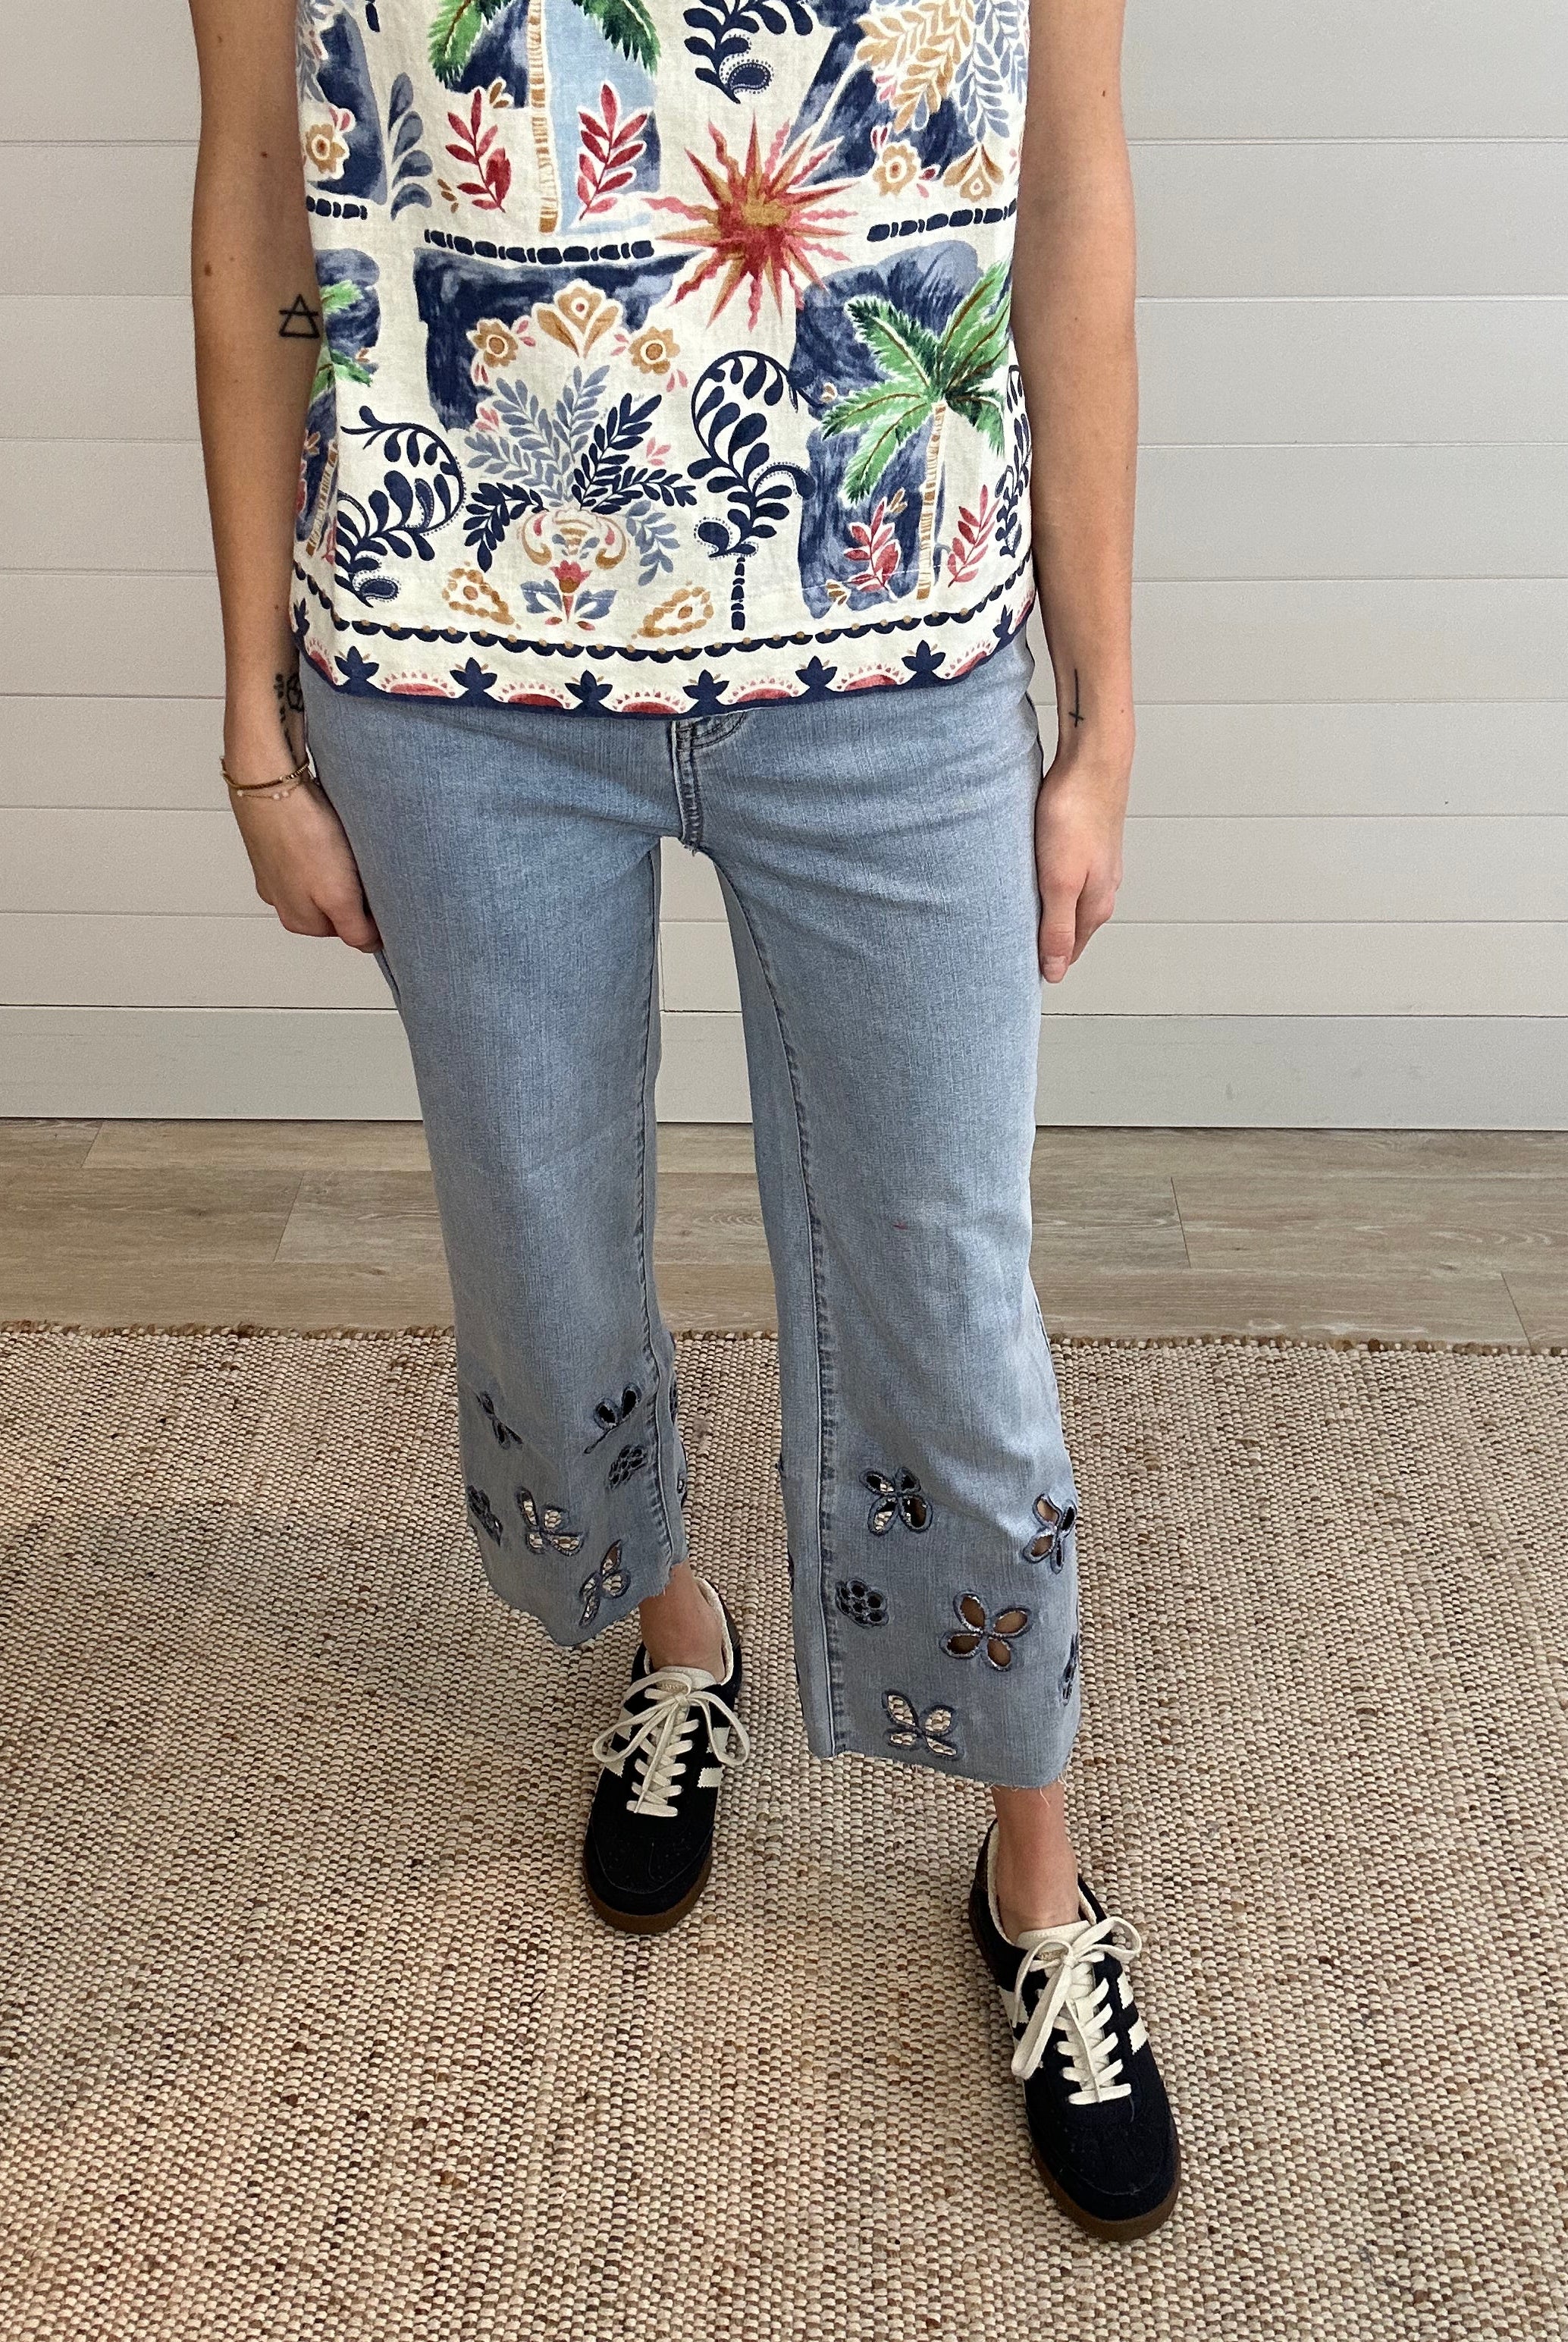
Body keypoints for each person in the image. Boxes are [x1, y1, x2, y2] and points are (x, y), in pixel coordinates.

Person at [188, 0, 1179, 2239]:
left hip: (894, 650)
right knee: (535, 1243)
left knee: (944, 1290)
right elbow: (253, 191)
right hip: (450, 671)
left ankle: (1031, 1870)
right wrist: (253, 715)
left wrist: (1104, 712)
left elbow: (1072, 192)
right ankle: (672, 1634)